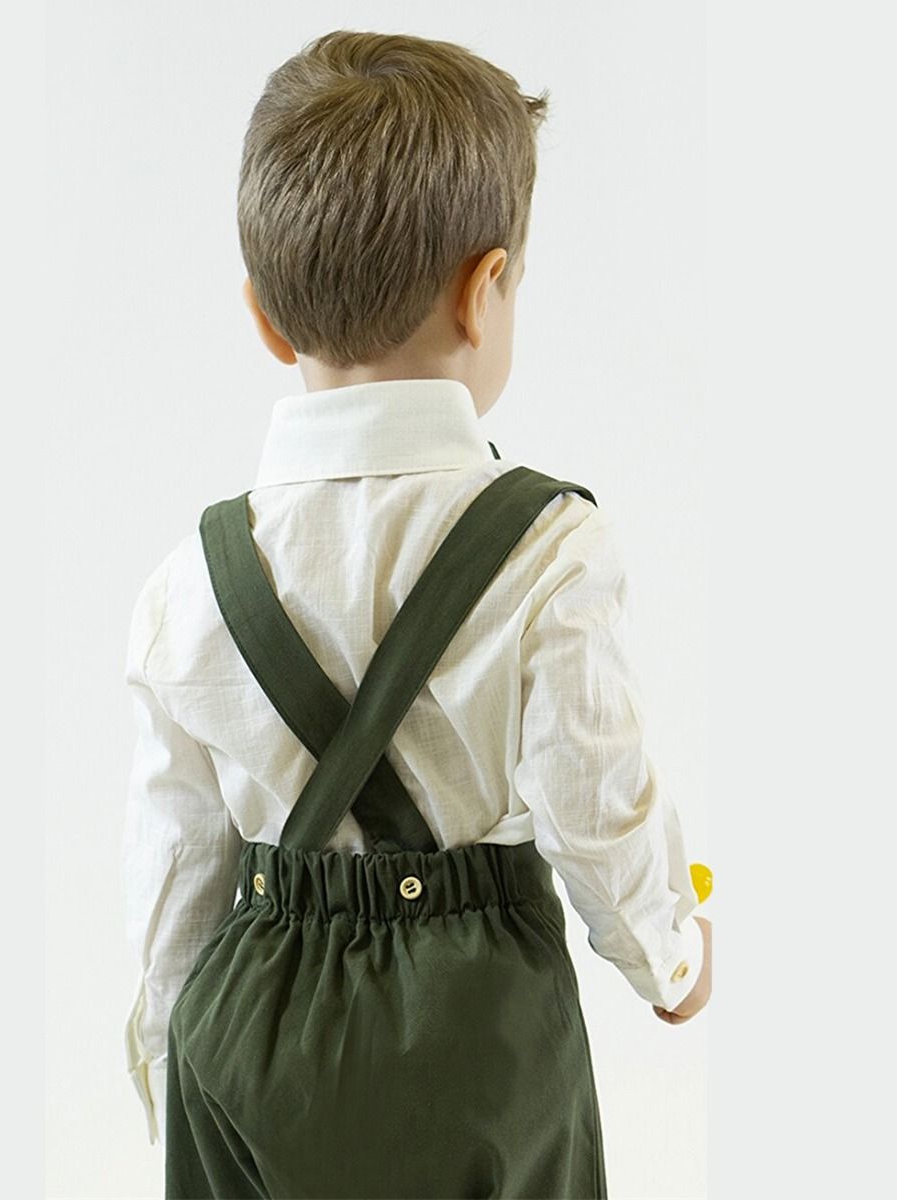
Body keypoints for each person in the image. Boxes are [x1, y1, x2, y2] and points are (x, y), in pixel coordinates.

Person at [120, 28, 712, 1199]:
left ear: (264, 317)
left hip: (254, 1053)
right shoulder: (549, 550)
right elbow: (592, 803)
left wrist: (163, 1055)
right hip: (481, 1039)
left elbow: (177, 863)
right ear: (485, 291)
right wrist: (672, 957)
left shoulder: (190, 582)